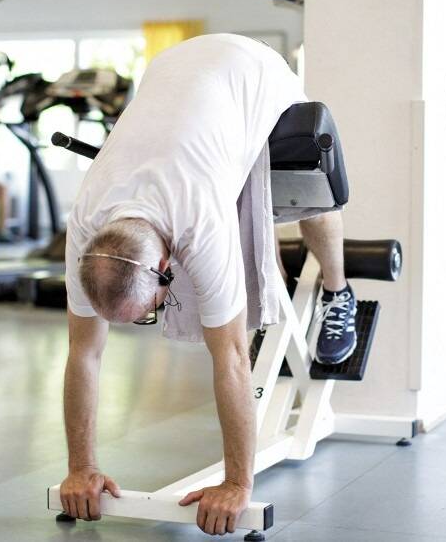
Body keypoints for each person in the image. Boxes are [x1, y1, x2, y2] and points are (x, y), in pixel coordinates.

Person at [58, 34, 357, 535]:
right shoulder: (86, 224)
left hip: (254, 68)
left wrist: (237, 483)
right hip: (175, 69)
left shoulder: (199, 224)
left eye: (153, 309)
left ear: (167, 263)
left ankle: (337, 288)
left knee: (313, 191)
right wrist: (80, 467)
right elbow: (82, 353)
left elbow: (232, 358)